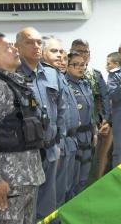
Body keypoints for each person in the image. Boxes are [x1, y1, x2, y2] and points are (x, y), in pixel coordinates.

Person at [0, 33, 45, 224]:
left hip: (28, 175)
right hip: (9, 180)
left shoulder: (16, 82)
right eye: (8, 47)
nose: (15, 49)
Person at [15, 27, 66, 222]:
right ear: (18, 47)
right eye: (30, 42)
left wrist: (59, 142)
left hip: (51, 148)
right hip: (25, 153)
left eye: (38, 42)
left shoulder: (52, 75)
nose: (36, 46)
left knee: (48, 202)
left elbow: (61, 109)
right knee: (28, 203)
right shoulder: (11, 74)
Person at [41, 36, 80, 207]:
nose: (60, 58)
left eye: (63, 54)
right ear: (42, 53)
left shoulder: (58, 76)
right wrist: (57, 142)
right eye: (54, 52)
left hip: (67, 140)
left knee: (65, 188)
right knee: (51, 193)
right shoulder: (43, 77)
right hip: (53, 143)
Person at [70, 39, 111, 182]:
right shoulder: (63, 75)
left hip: (92, 126)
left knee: (90, 166)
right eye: (78, 51)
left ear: (89, 54)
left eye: (85, 51)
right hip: (71, 130)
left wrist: (106, 120)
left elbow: (105, 98)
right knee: (72, 172)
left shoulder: (95, 75)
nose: (82, 54)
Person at [65, 52, 96, 195]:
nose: (80, 67)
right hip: (73, 136)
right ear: (67, 65)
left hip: (88, 134)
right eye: (75, 64)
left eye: (83, 64)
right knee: (71, 177)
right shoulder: (64, 84)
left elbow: (91, 109)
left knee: (84, 175)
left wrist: (94, 131)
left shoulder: (85, 83)